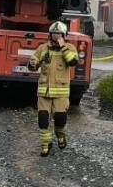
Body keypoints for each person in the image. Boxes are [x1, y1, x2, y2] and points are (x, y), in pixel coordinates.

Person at [28, 21, 79, 157]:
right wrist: (33, 63)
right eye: (54, 34)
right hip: (44, 91)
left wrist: (63, 48)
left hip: (61, 93)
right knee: (43, 119)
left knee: (60, 119)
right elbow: (31, 66)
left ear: (64, 35)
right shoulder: (42, 48)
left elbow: (73, 62)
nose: (56, 36)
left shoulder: (70, 48)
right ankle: (46, 145)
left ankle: (60, 135)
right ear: (50, 35)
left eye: (59, 34)